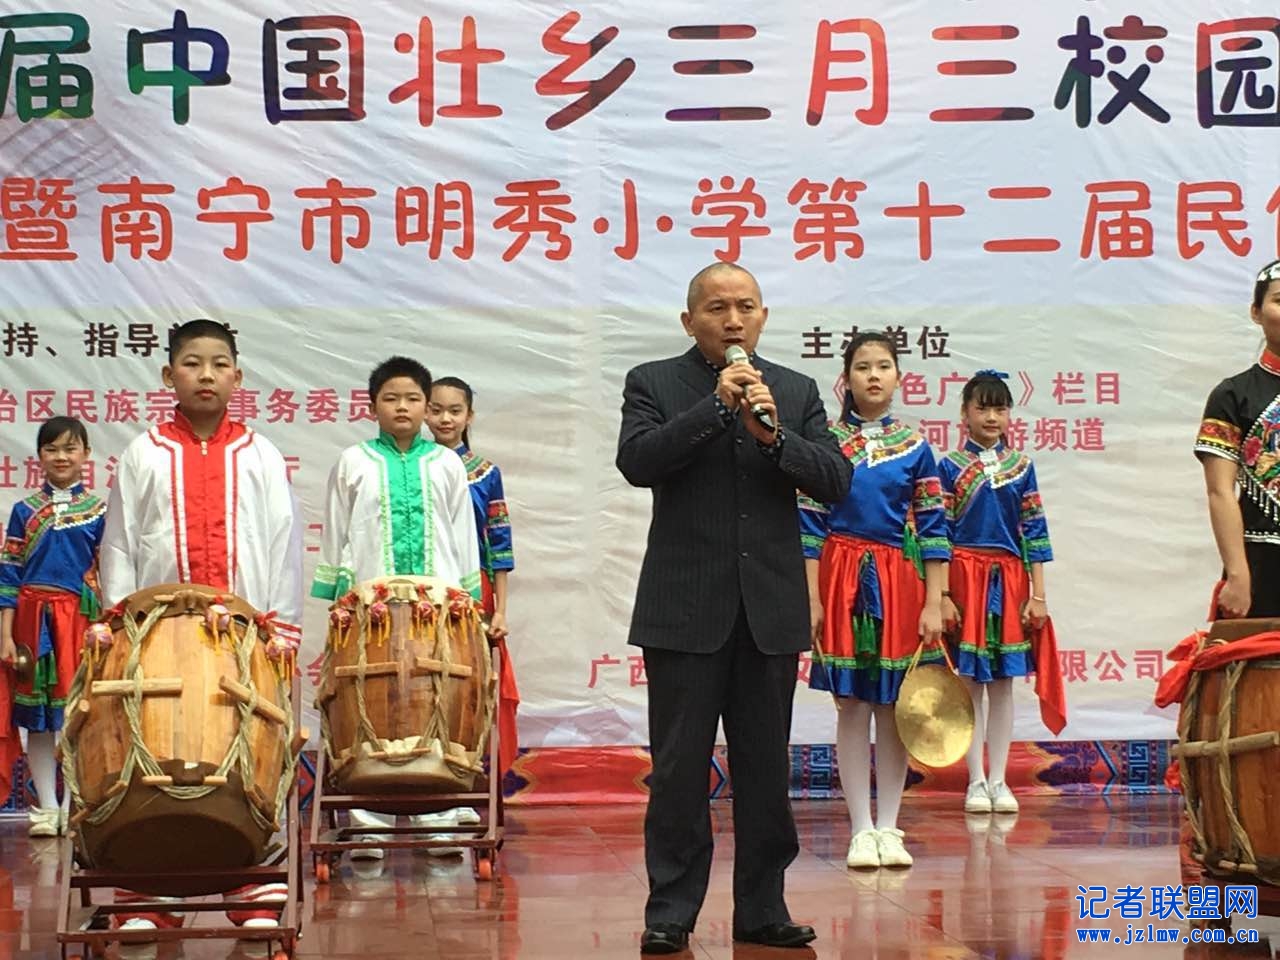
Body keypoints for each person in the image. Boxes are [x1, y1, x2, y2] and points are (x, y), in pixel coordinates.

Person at [617, 262, 850, 954]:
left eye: (746, 306)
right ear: (689, 320)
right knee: (678, 769)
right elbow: (638, 461)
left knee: (765, 770)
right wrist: (718, 408)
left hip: (769, 610)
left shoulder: (796, 390)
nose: (733, 319)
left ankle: (763, 907)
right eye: (717, 308)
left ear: (763, 316)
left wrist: (774, 439)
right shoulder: (654, 382)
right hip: (683, 609)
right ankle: (671, 909)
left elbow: (836, 479)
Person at [99, 318, 303, 934]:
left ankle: (252, 883)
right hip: (159, 639)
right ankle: (146, 890)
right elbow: (120, 544)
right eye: (192, 363)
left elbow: (284, 545)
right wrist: (123, 627)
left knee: (249, 751)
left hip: (244, 635)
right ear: (169, 375)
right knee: (158, 751)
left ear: (238, 376)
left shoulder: (261, 455)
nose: (205, 375)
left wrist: (279, 628)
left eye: (218, 364)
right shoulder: (144, 453)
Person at [312, 356, 480, 860]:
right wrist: (340, 600)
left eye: (412, 398)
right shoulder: (353, 462)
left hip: (437, 608)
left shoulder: (447, 464)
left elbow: (463, 536)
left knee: (436, 698)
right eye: (391, 398)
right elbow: (337, 532)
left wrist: (467, 601)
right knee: (372, 701)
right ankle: (368, 820)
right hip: (372, 608)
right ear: (372, 406)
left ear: (427, 406)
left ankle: (440, 817)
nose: (402, 407)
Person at [800, 331, 949, 870]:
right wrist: (813, 597)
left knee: (893, 706)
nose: (873, 375)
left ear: (898, 377)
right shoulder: (824, 443)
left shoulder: (916, 448)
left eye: (883, 366)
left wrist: (934, 601)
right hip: (841, 576)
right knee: (853, 705)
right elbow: (809, 526)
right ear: (846, 379)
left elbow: (934, 528)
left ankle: (890, 825)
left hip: (896, 581)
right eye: (862, 367)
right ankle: (860, 829)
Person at [937, 371, 1064, 817]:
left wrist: (1038, 594)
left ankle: (999, 779)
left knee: (1004, 684)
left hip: (1009, 579)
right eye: (982, 408)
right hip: (965, 576)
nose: (991, 417)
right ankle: (975, 779)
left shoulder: (1022, 467)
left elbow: (1035, 532)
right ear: (965, 413)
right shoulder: (949, 467)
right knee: (971, 683)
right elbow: (939, 534)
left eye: (1000, 408)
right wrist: (944, 594)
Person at [0, 417, 106, 837]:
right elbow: (9, 575)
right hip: (32, 621)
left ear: (86, 454)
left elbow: (108, 573)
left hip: (80, 621)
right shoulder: (24, 511)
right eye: (52, 449)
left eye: (70, 448)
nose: (61, 457)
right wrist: (5, 636)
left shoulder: (99, 512)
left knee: (78, 715)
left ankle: (72, 804)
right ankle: (46, 806)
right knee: (38, 719)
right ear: (40, 457)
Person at [425, 376, 520, 777]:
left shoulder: (485, 473)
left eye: (455, 410)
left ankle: (468, 770)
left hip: (473, 589)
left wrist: (500, 609)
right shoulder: (415, 468)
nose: (445, 419)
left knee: (470, 681)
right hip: (425, 589)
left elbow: (499, 543)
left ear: (469, 416)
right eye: (436, 410)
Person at [1197, 259, 1280, 620]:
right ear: (1256, 312)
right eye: (1279, 300)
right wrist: (1237, 573)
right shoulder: (1233, 395)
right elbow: (1220, 491)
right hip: (1262, 561)